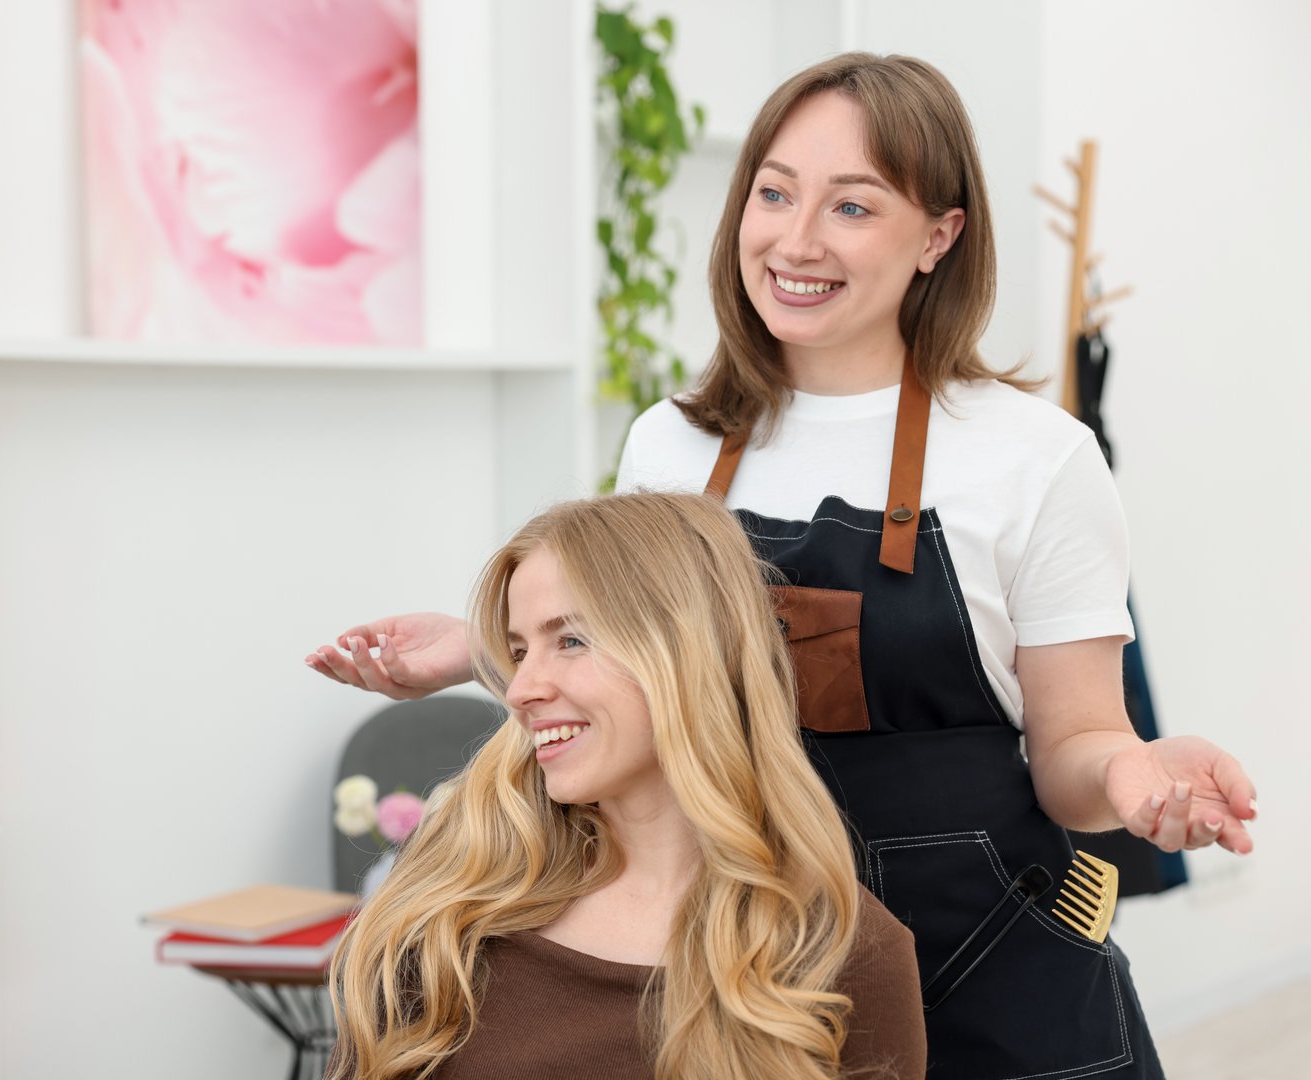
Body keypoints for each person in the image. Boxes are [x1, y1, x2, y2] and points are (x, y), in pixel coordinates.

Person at [308, 54, 1258, 1077]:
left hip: (995, 965)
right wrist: (476, 647)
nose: (794, 241)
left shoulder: (1035, 458)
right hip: (750, 962)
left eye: (851, 207)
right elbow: (642, 667)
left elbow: (1075, 742)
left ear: (939, 235)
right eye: (772, 193)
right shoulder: (667, 447)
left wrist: (1131, 777)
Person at [326, 492, 926, 1080]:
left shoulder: (847, 952)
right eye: (516, 651)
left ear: (688, 651)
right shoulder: (447, 905)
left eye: (571, 640)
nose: (519, 689)